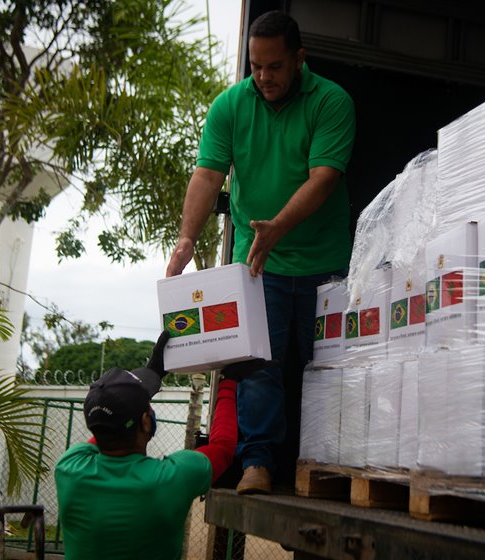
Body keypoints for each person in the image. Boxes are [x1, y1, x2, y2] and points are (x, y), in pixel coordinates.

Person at [165, 10, 355, 495]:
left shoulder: (331, 101)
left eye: (274, 66)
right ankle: (258, 465)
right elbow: (208, 174)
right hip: (259, 266)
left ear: (299, 59)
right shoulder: (230, 106)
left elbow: (323, 177)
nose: (264, 77)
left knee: (326, 369)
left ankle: (326, 464)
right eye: (256, 67)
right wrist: (187, 237)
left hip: (325, 265)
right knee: (258, 367)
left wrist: (277, 228)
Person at [54, 332, 273, 560]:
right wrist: (229, 382)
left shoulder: (69, 468)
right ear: (145, 421)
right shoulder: (172, 478)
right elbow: (223, 448)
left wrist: (152, 374)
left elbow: (107, 429)